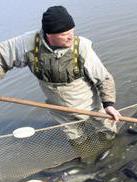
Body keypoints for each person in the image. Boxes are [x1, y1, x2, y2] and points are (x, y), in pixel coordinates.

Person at [0, 6, 121, 151]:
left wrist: (109, 105)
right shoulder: (29, 44)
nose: (71, 37)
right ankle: (88, 158)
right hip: (60, 110)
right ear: (49, 35)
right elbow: (1, 57)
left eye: (72, 31)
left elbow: (104, 78)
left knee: (108, 134)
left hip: (91, 107)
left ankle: (111, 154)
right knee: (78, 142)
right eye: (65, 34)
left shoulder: (81, 47)